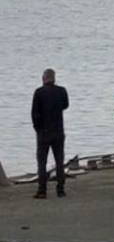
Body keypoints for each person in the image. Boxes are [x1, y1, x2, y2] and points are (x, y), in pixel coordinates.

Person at [31, 68, 70, 199]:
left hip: (44, 132)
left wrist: (38, 129)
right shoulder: (62, 91)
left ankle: (42, 190)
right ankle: (60, 190)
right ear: (54, 78)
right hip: (58, 131)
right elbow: (66, 105)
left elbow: (34, 114)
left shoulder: (39, 93)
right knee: (59, 161)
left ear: (44, 79)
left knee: (42, 162)